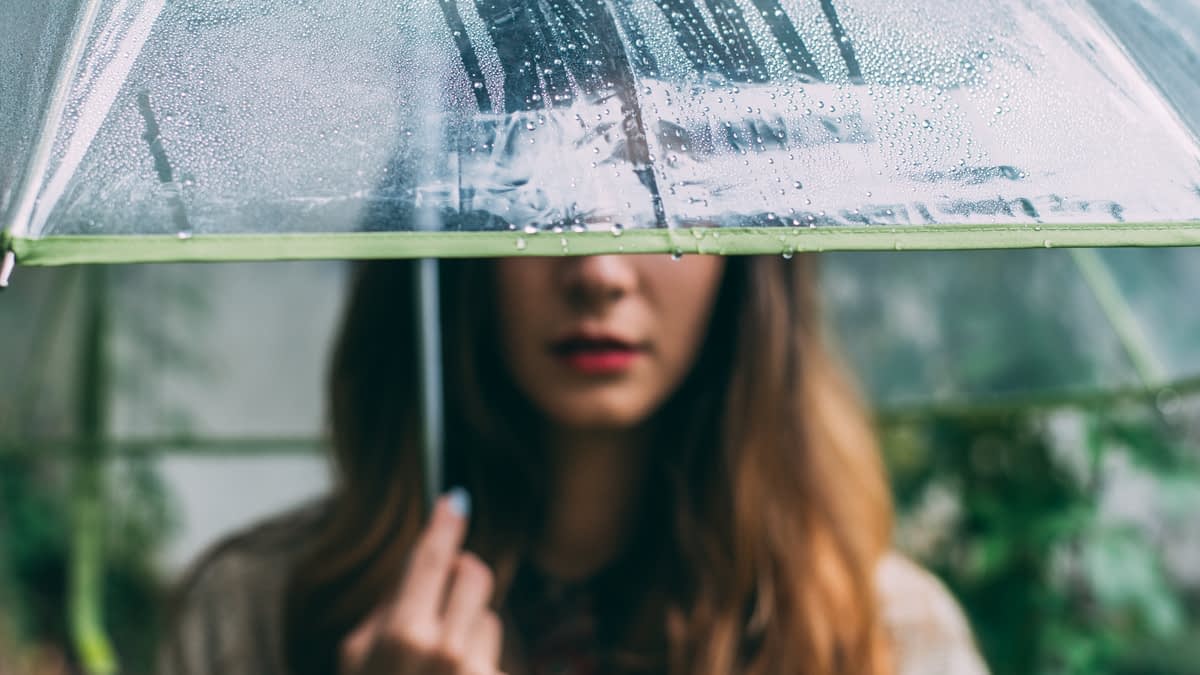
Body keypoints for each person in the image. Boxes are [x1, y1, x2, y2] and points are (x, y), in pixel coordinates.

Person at [159, 254, 989, 675]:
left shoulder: (881, 635)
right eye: (534, 183)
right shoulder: (253, 617)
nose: (598, 272)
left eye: (659, 191)